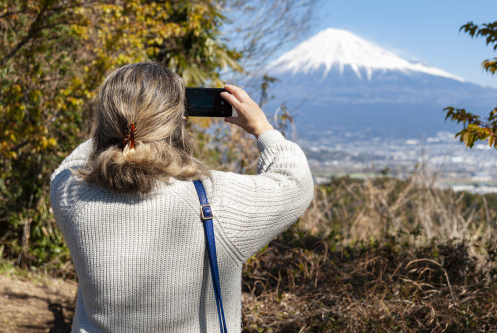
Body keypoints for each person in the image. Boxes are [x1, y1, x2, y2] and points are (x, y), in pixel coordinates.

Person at [50, 62, 314, 332]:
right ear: (180, 120)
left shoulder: (73, 197)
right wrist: (263, 129)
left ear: (106, 119)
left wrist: (117, 132)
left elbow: (69, 165)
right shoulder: (216, 200)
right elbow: (295, 182)